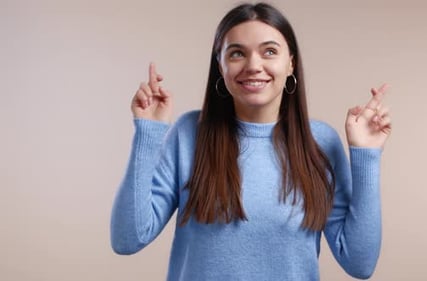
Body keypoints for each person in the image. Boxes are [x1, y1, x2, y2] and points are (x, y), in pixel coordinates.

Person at [110, 2, 391, 281]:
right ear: (220, 65)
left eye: (269, 51)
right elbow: (128, 239)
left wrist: (366, 155)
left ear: (291, 62)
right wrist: (148, 132)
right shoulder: (188, 134)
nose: (254, 66)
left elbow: (359, 263)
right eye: (237, 54)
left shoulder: (321, 142)